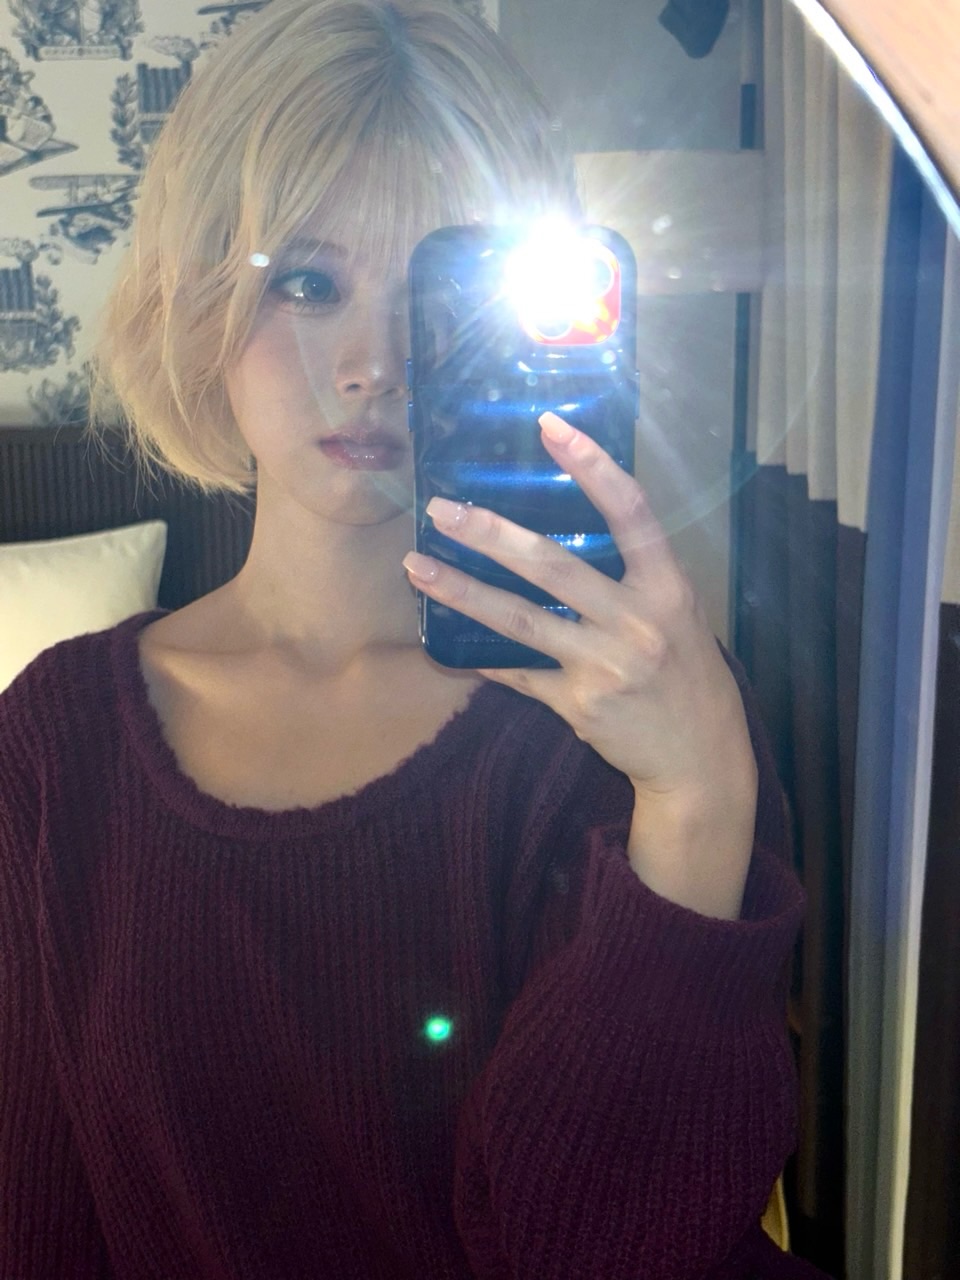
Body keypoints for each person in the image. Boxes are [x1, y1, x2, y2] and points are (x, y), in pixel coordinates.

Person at [0, 1, 832, 1276]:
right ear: (199, 296)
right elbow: (38, 1213)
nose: (374, 362)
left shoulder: (628, 727)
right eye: (308, 281)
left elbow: (611, 1248)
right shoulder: (54, 745)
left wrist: (701, 803)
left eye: (437, 292)